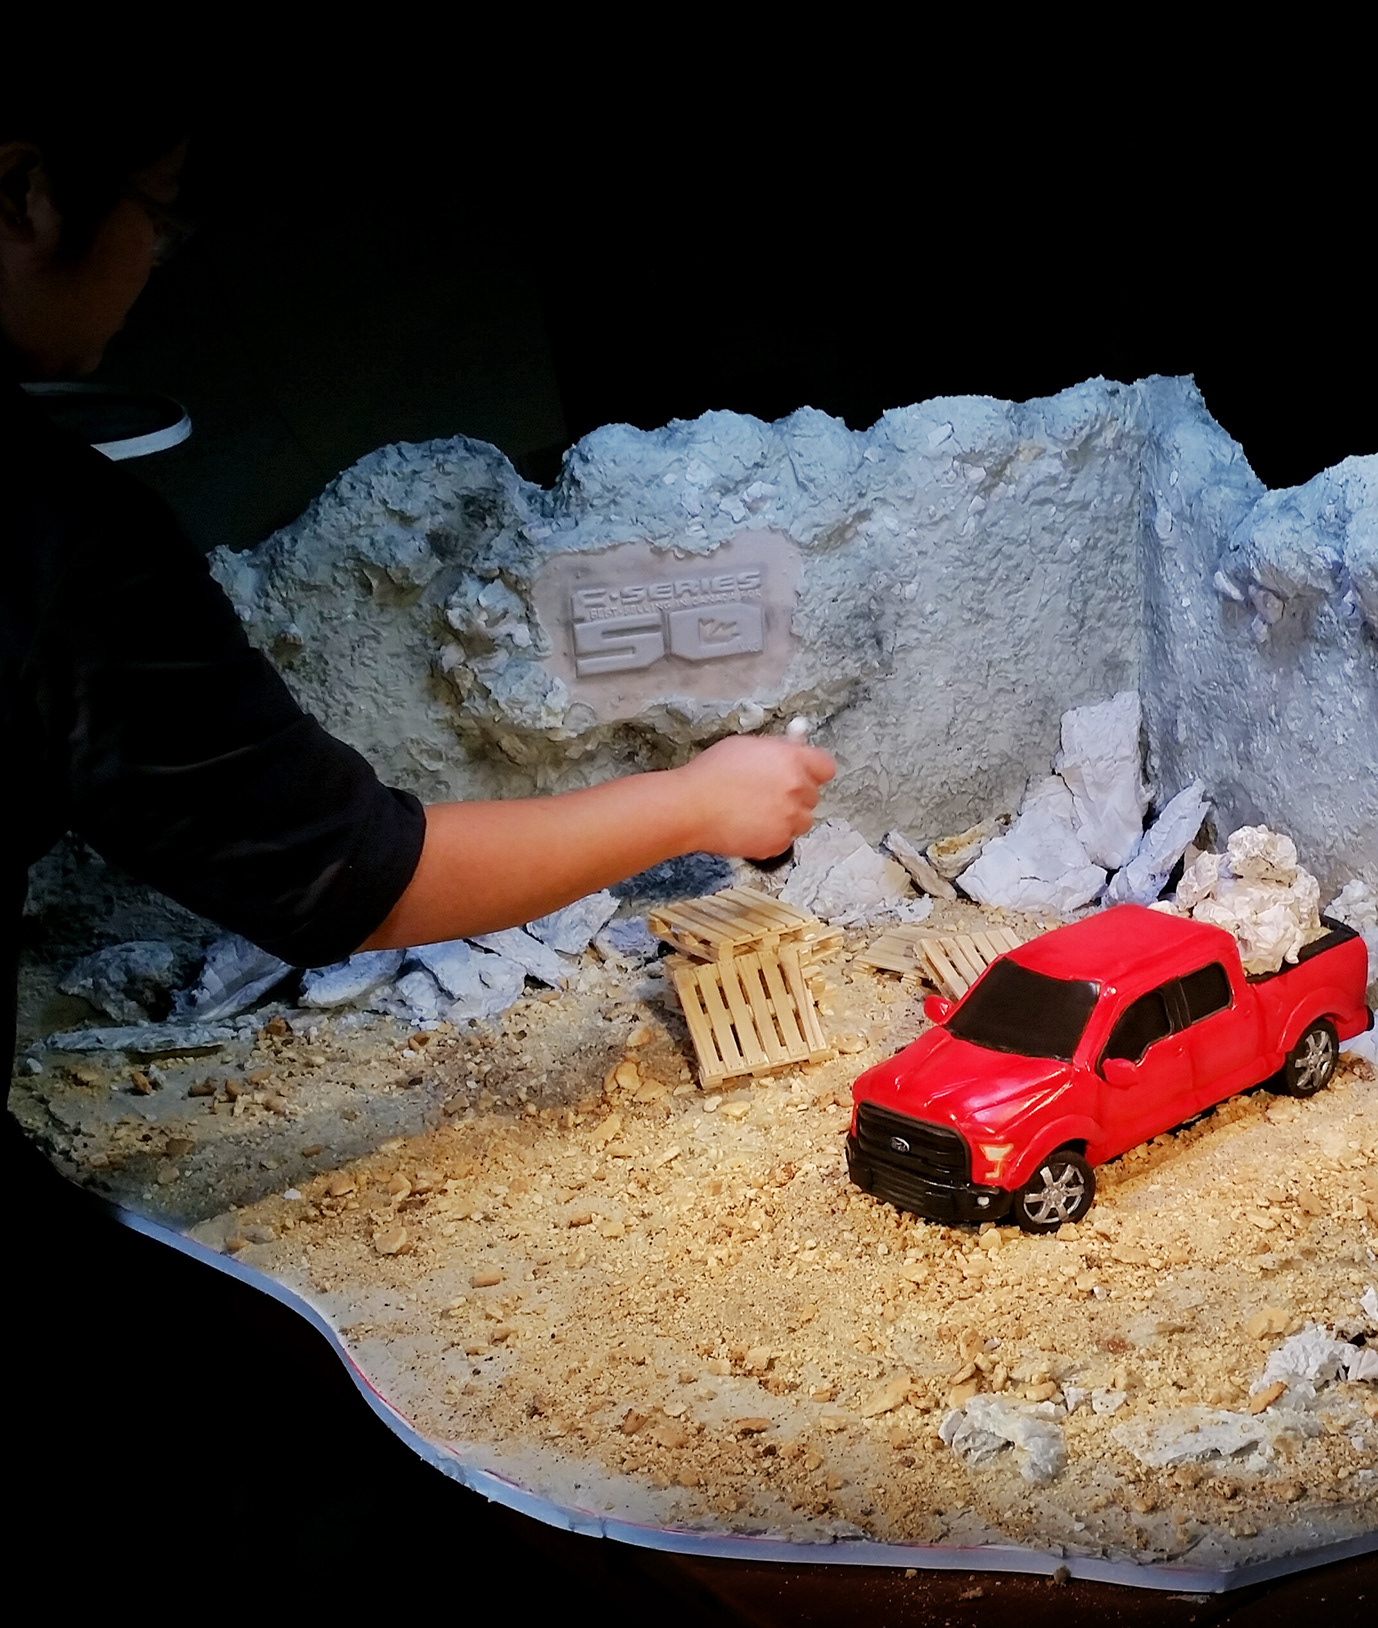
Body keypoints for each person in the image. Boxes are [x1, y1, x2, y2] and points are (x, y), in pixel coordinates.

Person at [1, 102, 836, 1184]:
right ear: (25, 192)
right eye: (155, 216)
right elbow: (347, 875)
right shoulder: (61, 533)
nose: (155, 260)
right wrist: (701, 801)